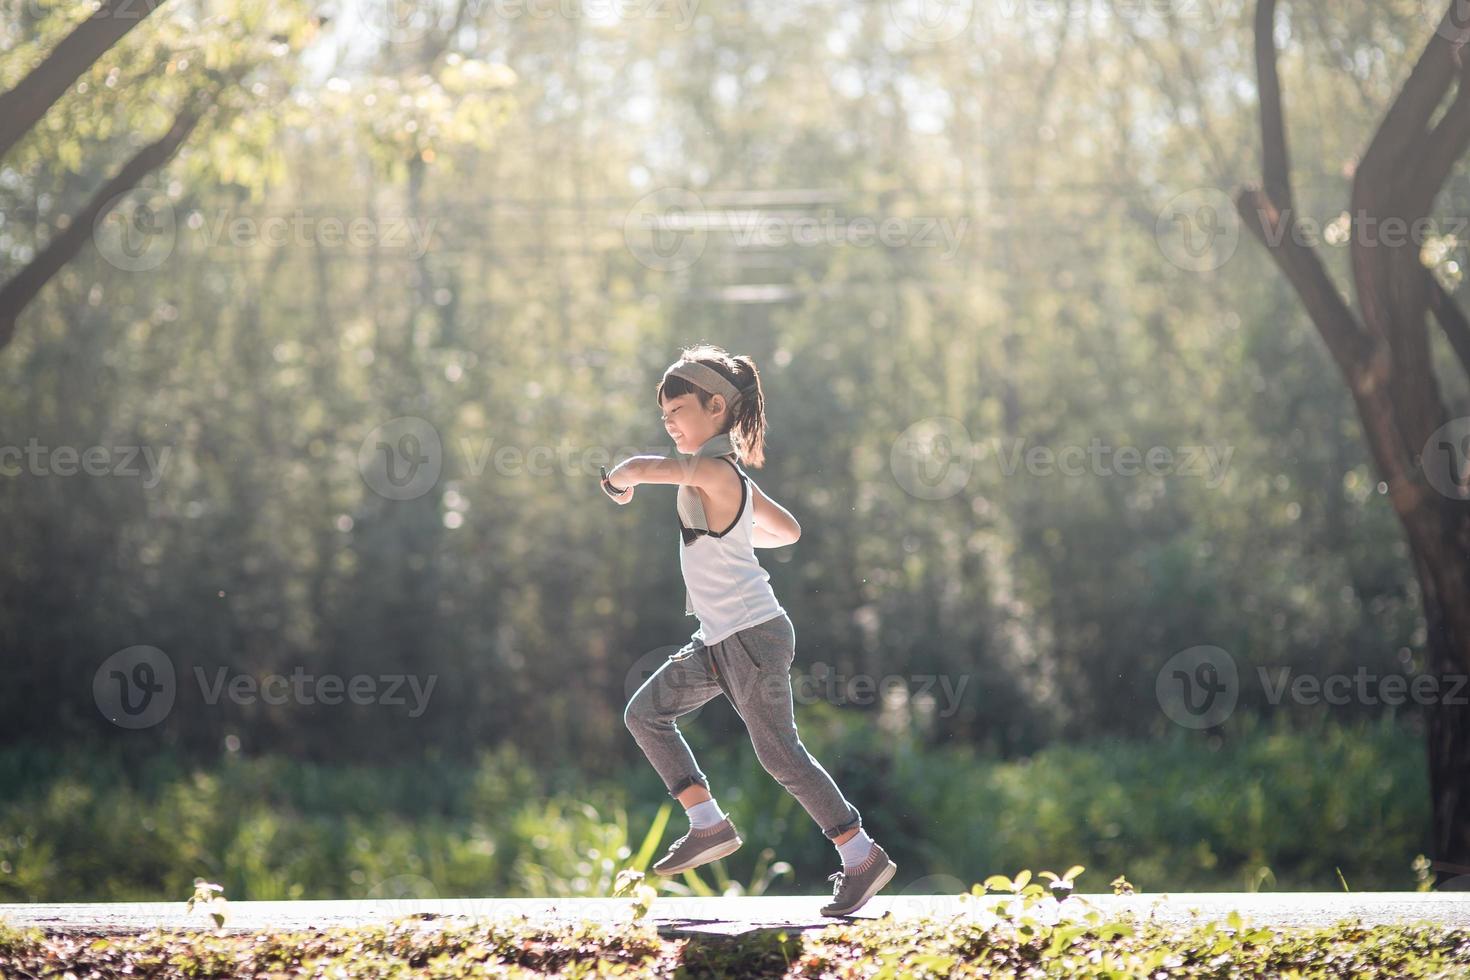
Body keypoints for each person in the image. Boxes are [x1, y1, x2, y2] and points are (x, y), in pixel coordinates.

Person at [603, 343, 897, 917]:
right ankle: (707, 823)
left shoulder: (712, 470)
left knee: (779, 754)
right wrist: (735, 538)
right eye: (663, 416)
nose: (668, 424)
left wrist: (622, 478)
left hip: (753, 636)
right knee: (645, 713)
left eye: (678, 411)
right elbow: (786, 530)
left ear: (717, 408)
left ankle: (861, 857)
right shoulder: (726, 478)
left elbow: (642, 469)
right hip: (719, 638)